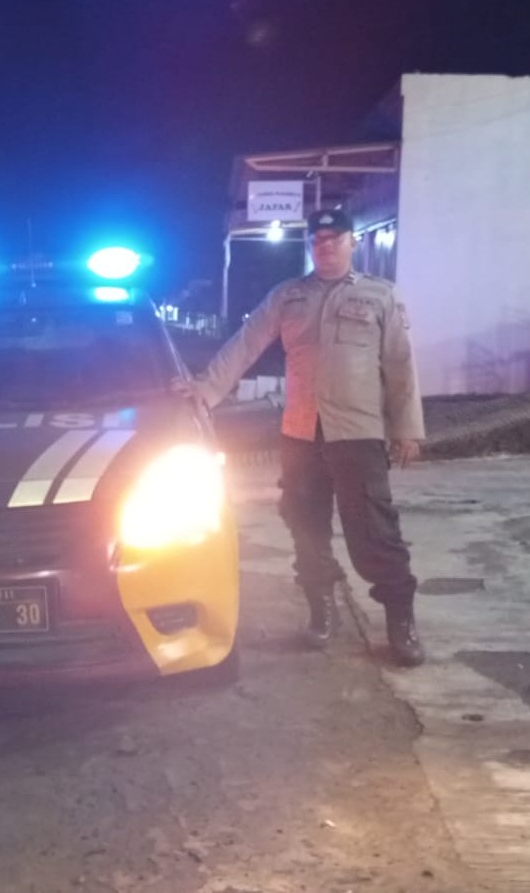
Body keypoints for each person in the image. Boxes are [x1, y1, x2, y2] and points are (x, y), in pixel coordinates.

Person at [176, 207, 427, 667]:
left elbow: (399, 365)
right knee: (305, 528)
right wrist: (206, 389)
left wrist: (407, 428)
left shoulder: (380, 295)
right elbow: (247, 342)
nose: (325, 246)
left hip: (358, 434)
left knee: (374, 533)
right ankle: (321, 608)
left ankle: (401, 621)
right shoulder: (288, 296)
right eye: (318, 240)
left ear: (352, 242)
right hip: (300, 434)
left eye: (335, 238)